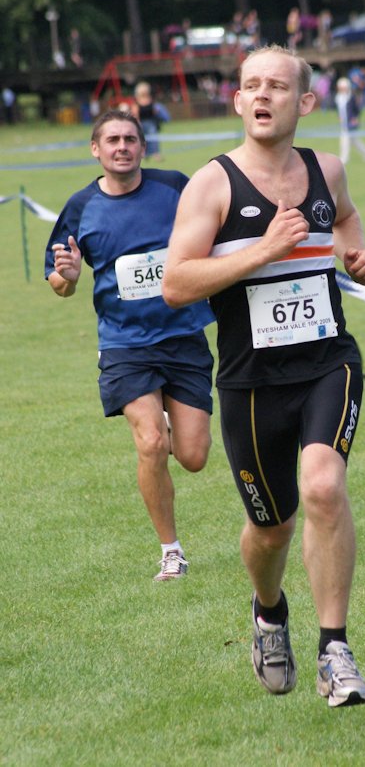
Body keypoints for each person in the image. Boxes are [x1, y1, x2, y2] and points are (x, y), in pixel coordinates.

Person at [162, 44, 365, 707]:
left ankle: (335, 651)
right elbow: (176, 281)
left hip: (328, 361)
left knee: (323, 487)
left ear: (304, 102)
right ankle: (268, 611)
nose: (263, 95)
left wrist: (355, 255)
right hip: (251, 381)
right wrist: (264, 250)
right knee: (273, 527)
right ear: (237, 101)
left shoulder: (327, 170)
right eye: (251, 85)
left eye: (277, 86)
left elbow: (343, 219)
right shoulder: (214, 184)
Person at [44, 110, 214, 579]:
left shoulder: (175, 187)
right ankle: (171, 551)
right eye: (112, 140)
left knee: (194, 457)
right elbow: (60, 282)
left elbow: (214, 232)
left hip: (184, 335)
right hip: (125, 345)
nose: (122, 146)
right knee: (151, 443)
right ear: (96, 150)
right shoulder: (80, 208)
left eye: (131, 139)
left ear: (143, 146)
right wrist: (69, 276)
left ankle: (165, 414)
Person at [335, 77, 365, 164]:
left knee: (344, 140)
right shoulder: (338, 97)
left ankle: (344, 159)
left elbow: (357, 109)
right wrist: (339, 117)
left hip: (351, 123)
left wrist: (355, 118)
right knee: (354, 141)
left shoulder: (351, 97)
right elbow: (340, 110)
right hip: (343, 123)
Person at [131, 81, 167, 162]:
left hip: (151, 123)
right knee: (143, 139)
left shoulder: (151, 100)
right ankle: (144, 154)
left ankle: (156, 154)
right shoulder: (137, 102)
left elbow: (154, 111)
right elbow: (135, 113)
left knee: (154, 139)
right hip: (142, 123)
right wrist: (138, 123)